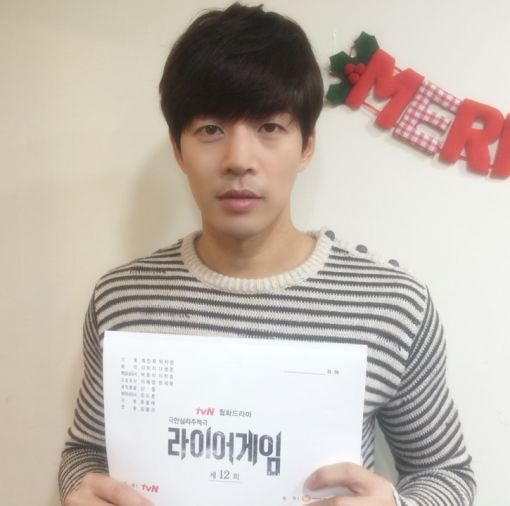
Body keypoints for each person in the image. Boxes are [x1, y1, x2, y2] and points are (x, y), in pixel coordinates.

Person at [58, 3, 476, 505]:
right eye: (210, 129)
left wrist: (396, 505)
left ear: (306, 146)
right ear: (178, 148)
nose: (239, 160)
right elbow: (85, 451)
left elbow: (446, 471)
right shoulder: (122, 297)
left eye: (270, 127)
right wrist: (79, 490)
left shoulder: (394, 304)